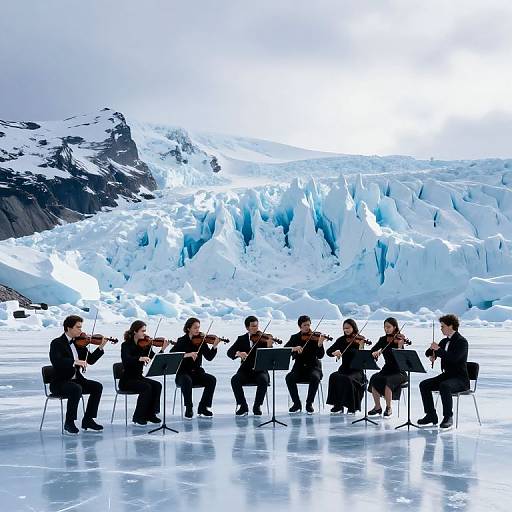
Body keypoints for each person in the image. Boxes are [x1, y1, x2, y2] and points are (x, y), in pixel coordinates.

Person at [49, 315, 106, 434]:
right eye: (78, 327)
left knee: (97, 387)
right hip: (60, 382)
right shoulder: (57, 343)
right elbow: (57, 361)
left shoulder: (79, 344)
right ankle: (69, 422)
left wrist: (100, 347)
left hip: (76, 380)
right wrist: (74, 361)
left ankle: (88, 420)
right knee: (76, 388)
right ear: (68, 328)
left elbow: (90, 360)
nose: (81, 330)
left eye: (81, 327)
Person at [418, 314, 470, 430]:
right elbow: (428, 353)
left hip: (460, 379)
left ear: (450, 326)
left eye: (442, 326)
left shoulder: (462, 342)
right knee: (424, 385)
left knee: (444, 386)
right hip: (447, 376)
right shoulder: (444, 341)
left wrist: (438, 350)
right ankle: (431, 415)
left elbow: (453, 358)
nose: (441, 328)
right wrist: (432, 352)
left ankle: (448, 417)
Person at [119, 320, 169, 426]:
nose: (145, 334)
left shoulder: (145, 345)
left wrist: (162, 349)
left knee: (157, 385)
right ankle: (138, 417)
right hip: (127, 380)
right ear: (135, 332)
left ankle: (151, 414)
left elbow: (154, 359)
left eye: (145, 331)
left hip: (138, 377)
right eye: (142, 331)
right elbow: (126, 359)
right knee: (146, 387)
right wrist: (139, 358)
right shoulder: (126, 345)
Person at [170, 317, 220, 419]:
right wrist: (187, 354)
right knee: (187, 380)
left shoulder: (202, 341)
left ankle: (203, 407)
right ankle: (189, 407)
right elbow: (172, 355)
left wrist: (214, 346)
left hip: (197, 373)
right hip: (183, 374)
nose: (198, 330)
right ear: (188, 328)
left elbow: (209, 357)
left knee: (211, 379)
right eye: (195, 328)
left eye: (198, 327)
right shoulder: (182, 341)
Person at [227, 316, 272, 416]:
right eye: (253, 326)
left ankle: (257, 406)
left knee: (263, 380)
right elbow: (230, 352)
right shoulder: (241, 339)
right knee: (235, 380)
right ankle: (243, 406)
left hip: (260, 370)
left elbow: (269, 356)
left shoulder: (263, 339)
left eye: (257, 326)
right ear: (247, 328)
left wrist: (269, 345)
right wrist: (238, 353)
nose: (256, 328)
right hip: (245, 370)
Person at [368, 317, 408, 418]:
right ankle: (377, 407)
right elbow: (371, 351)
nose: (386, 329)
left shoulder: (399, 339)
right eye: (385, 327)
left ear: (394, 327)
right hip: (387, 368)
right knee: (374, 378)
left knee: (388, 380)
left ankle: (388, 407)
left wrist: (399, 346)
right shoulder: (383, 339)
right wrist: (375, 352)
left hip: (399, 371)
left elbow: (402, 359)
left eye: (389, 327)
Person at [285, 315, 325, 414]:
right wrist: (294, 348)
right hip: (299, 368)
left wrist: (320, 344)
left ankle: (309, 403)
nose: (307, 327)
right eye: (305, 325)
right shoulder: (295, 337)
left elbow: (320, 356)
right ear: (300, 326)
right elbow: (285, 350)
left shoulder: (316, 337)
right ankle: (297, 403)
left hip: (314, 367)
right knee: (289, 377)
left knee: (315, 377)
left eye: (308, 324)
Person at [325, 319, 367, 414]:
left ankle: (351, 406)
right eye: (344, 328)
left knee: (347, 379)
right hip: (344, 368)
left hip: (357, 371)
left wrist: (361, 346)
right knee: (333, 376)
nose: (346, 330)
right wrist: (334, 353)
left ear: (353, 327)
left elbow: (362, 357)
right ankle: (337, 405)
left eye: (348, 328)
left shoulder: (360, 339)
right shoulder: (341, 340)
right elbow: (328, 351)